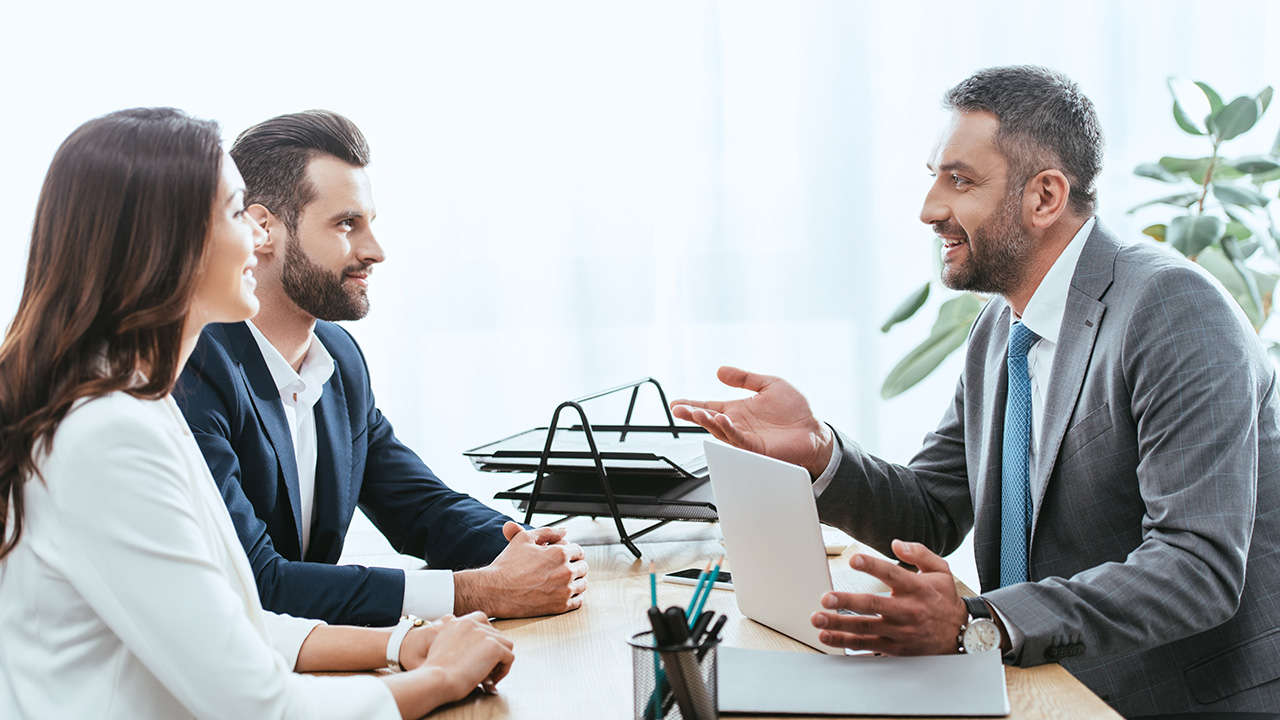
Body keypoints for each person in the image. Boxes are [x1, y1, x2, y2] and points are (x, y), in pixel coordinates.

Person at [672, 66, 1280, 716]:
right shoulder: (1001, 327)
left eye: (959, 180)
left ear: (1045, 197)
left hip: (1161, 702)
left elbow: (1197, 568)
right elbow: (933, 509)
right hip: (1039, 684)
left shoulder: (1172, 307)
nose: (930, 208)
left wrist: (980, 620)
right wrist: (821, 455)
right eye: (934, 175)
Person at [0, 108, 514, 719]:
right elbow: (259, 705)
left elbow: (231, 623)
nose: (254, 235)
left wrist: (403, 642)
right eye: (235, 210)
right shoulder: (108, 432)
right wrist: (443, 676)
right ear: (164, 241)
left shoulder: (139, 404)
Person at [173, 110, 587, 627]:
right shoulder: (193, 370)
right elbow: (257, 584)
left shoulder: (339, 358)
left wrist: (526, 547)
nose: (375, 251)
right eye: (347, 224)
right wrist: (480, 591)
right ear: (263, 229)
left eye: (370, 223)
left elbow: (418, 507)